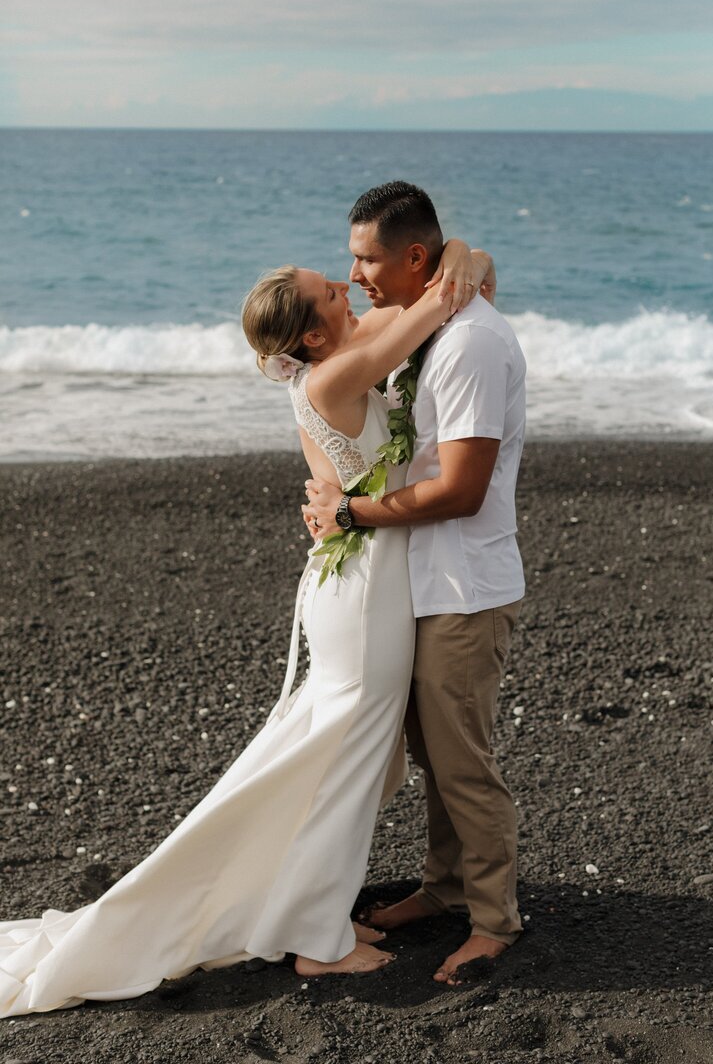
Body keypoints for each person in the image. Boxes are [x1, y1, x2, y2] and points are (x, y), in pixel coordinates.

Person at [0, 237, 488, 1017]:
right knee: (347, 763)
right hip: (363, 596)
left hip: (356, 581)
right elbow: (442, 299)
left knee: (334, 757)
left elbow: (445, 289)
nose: (344, 283)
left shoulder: (325, 366)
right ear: (316, 335)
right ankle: (320, 941)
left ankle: (301, 908)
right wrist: (456, 252)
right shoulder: (334, 375)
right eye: (331, 290)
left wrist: (459, 250)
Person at [304, 180, 527, 985]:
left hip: (465, 587)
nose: (355, 271)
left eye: (365, 257)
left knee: (464, 761)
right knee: (435, 752)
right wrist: (467, 256)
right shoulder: (419, 325)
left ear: (416, 257)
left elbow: (462, 489)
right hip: (420, 583)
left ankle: (495, 920)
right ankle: (442, 887)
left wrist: (354, 512)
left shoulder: (469, 345)